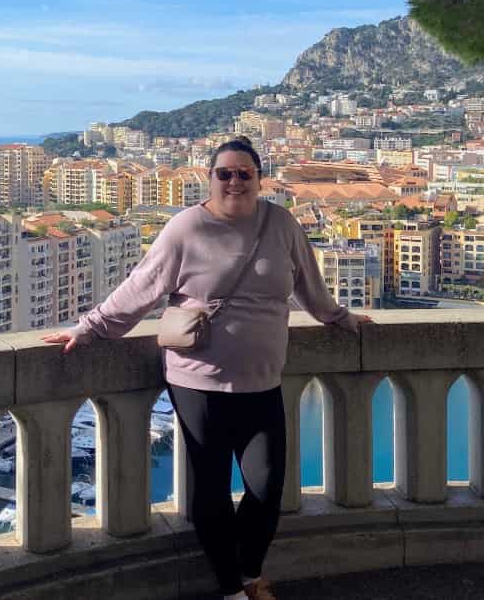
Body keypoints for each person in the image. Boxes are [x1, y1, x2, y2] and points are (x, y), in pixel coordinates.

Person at [42, 137, 372, 600]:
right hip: (196, 379)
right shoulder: (186, 228)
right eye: (225, 173)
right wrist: (90, 327)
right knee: (212, 489)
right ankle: (235, 587)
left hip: (262, 380)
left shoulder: (281, 225)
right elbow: (142, 287)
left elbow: (310, 287)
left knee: (266, 487)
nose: (234, 181)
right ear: (209, 177)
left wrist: (341, 317)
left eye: (244, 173)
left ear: (259, 179)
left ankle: (247, 569)